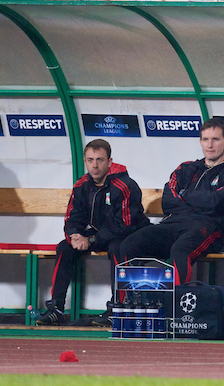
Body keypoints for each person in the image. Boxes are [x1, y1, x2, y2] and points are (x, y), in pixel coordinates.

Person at [36, 139, 151, 325]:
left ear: (110, 161)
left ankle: (118, 308)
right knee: (64, 248)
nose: (94, 165)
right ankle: (55, 309)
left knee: (118, 249)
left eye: (100, 160)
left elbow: (124, 224)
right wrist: (75, 236)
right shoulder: (81, 185)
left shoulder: (125, 185)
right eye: (90, 160)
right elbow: (72, 217)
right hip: (96, 236)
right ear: (85, 161)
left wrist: (90, 240)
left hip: (128, 236)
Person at [118, 118, 224, 285]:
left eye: (215, 139)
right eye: (205, 139)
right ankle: (129, 304)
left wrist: (185, 194)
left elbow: (216, 202)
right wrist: (200, 200)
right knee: (128, 245)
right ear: (200, 142)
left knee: (180, 251)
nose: (210, 145)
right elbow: (168, 200)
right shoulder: (186, 168)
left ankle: (176, 307)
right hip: (173, 223)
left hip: (208, 227)